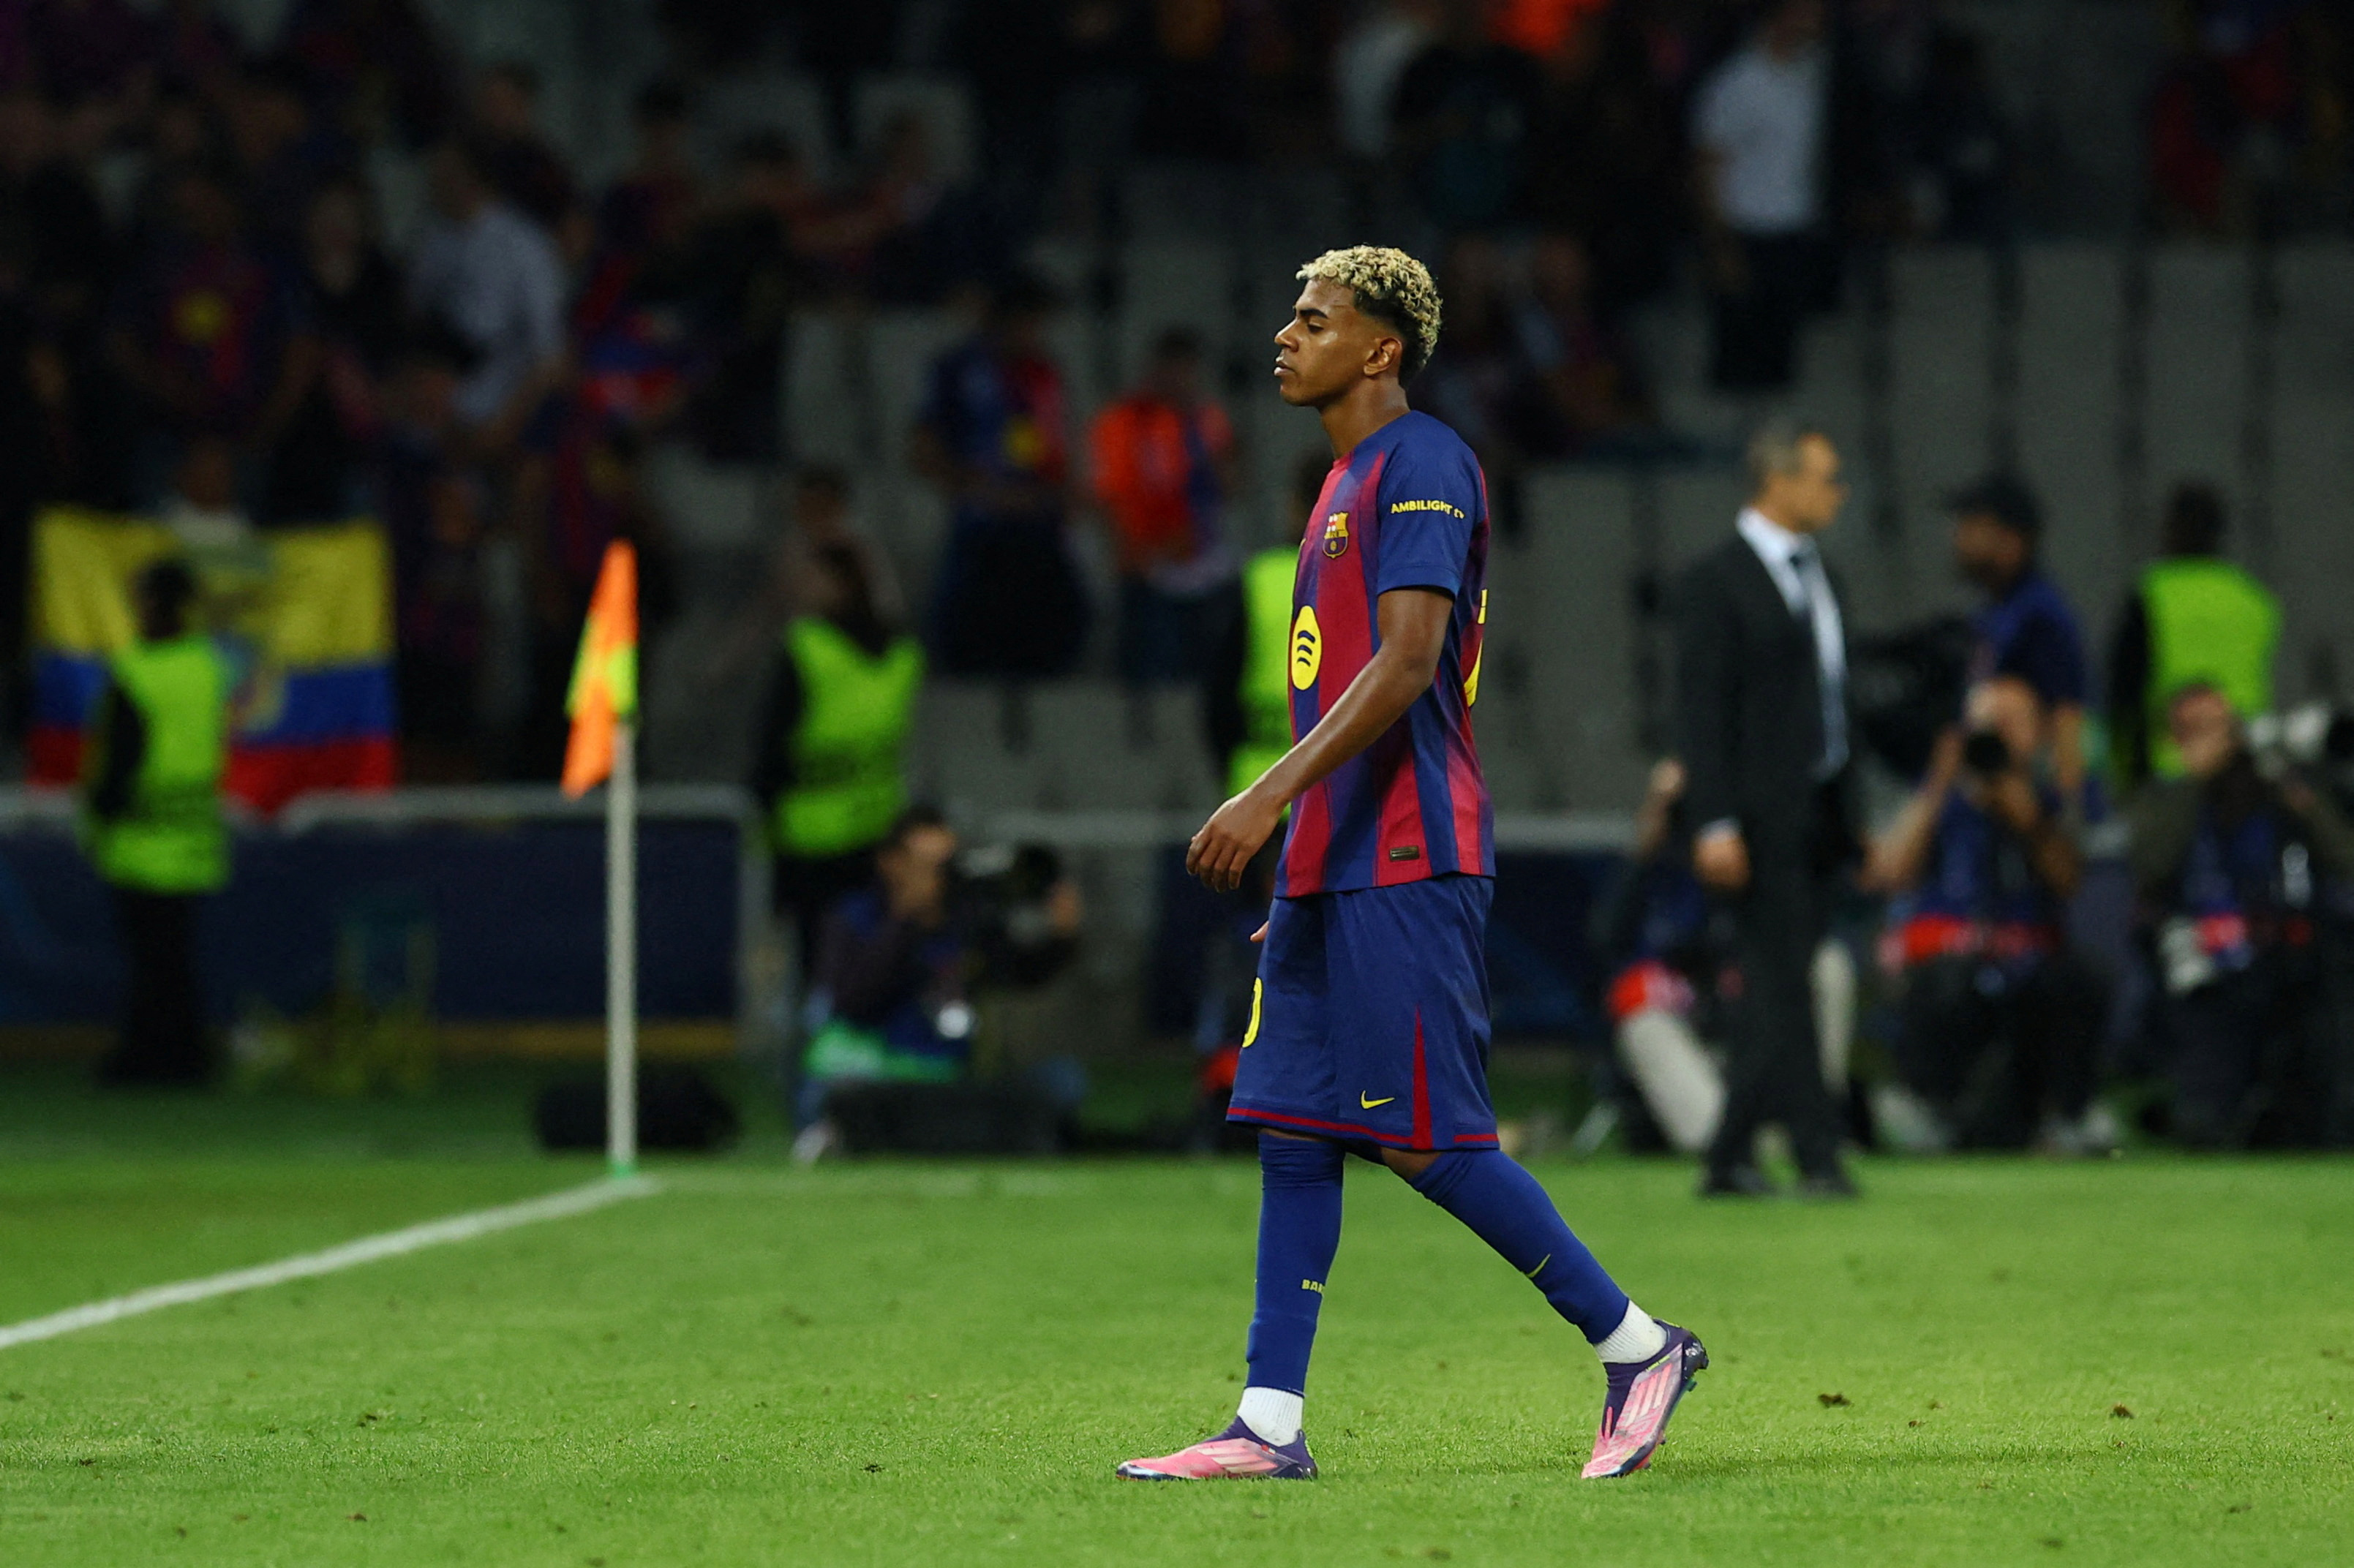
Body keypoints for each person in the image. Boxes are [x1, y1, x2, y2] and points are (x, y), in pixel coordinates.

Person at [1120, 246, 1705, 1488]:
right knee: (1289, 1126)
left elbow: (1402, 661)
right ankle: (1265, 1422)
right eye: (1287, 314)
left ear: (1380, 348)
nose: (1285, 335)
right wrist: (1299, 852)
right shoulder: (1341, 477)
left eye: (1313, 318)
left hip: (1406, 847)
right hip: (1335, 861)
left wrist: (1266, 795)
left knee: (1425, 1137)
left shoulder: (1424, 459)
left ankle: (1636, 1343)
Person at [1674, 420, 1859, 1197]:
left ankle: (1730, 1154)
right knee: (1784, 982)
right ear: (1776, 482)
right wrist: (1713, 820)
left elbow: (1829, 699)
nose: (1835, 493)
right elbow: (1701, 712)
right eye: (1823, 477)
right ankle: (1812, 1152)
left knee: (1781, 982)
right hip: (1755, 814)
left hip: (1816, 811)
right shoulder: (1714, 580)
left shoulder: (1822, 576)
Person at [1865, 677, 2110, 1151]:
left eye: (2011, 723)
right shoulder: (1939, 792)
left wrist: (2025, 817)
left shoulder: (2047, 796)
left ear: (2036, 733)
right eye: (1987, 723)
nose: (1998, 734)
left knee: (2080, 978)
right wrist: (1939, 784)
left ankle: (2067, 1114)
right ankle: (1927, 1109)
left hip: (2027, 957)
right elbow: (1889, 872)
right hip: (1949, 953)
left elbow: (2069, 881)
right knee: (1945, 983)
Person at [2127, 685, 2354, 1147]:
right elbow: (2152, 866)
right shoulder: (2165, 797)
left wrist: (2300, 793)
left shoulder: (2276, 789)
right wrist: (2194, 781)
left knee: (2324, 1105)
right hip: (2209, 975)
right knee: (2204, 1122)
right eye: (2194, 729)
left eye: (2220, 726)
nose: (2214, 739)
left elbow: (2345, 861)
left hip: (2290, 968)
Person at [1594, 758, 1854, 1156]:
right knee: (1640, 1016)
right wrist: (1656, 821)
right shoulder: (1663, 864)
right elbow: (1605, 938)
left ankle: (1809, 1120)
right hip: (1692, 1014)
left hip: (1761, 1012)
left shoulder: (1774, 848)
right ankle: (1724, 1139)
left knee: (1829, 966)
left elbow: (1817, 915)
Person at [82, 559, 231, 1087]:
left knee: (150, 961)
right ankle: (187, 1052)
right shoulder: (208, 665)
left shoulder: (137, 673)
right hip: (195, 836)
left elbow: (121, 760)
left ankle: (148, 1057)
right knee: (176, 957)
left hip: (142, 836)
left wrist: (100, 812)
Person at [751, 540, 925, 973]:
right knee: (874, 954)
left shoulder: (808, 646)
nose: (802, 588)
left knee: (817, 962)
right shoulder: (903, 652)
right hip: (879, 825)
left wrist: (763, 802)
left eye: (812, 578)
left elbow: (774, 738)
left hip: (810, 834)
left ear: (842, 582)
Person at [911, 274, 1088, 678]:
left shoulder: (1043, 373)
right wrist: (972, 487)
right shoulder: (959, 368)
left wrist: (1060, 493)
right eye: (1033, 322)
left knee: (1057, 606)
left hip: (1036, 516)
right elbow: (925, 444)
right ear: (1009, 320)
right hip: (981, 518)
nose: (1038, 333)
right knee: (964, 608)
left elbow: (1055, 442)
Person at [795, 807, 971, 1131]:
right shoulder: (853, 917)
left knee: (1060, 1081)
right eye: (922, 864)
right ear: (889, 861)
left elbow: (1008, 979)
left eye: (942, 865)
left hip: (942, 1071)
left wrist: (1059, 940)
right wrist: (904, 921)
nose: (934, 877)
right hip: (868, 1069)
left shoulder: (964, 921)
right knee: (826, 1095)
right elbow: (851, 1002)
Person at [1693, 0, 1832, 392]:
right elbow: (1707, 166)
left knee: (1781, 361)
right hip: (1746, 230)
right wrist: (1720, 243)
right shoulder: (1736, 83)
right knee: (1739, 362)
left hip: (1795, 230)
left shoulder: (1811, 79)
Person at [1087, 326, 1238, 685]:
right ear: (1155, 368)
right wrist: (1137, 551)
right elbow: (1111, 494)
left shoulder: (1207, 419)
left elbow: (1229, 485)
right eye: (1174, 368)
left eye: (1189, 369)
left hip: (1202, 563)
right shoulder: (1124, 421)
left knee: (1207, 671)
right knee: (1155, 670)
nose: (1182, 379)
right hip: (1149, 566)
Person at [2107, 482, 2281, 791]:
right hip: (2245, 772)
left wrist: (2123, 778)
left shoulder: (2152, 593)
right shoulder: (2253, 597)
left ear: (2172, 528)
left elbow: (2124, 695)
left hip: (2171, 772)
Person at [1949, 474, 2091, 801]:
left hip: (2035, 803)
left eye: (1973, 524)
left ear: (2012, 539)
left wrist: (2068, 804)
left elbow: (2067, 712)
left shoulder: (2038, 613)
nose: (1960, 537)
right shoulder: (1995, 609)